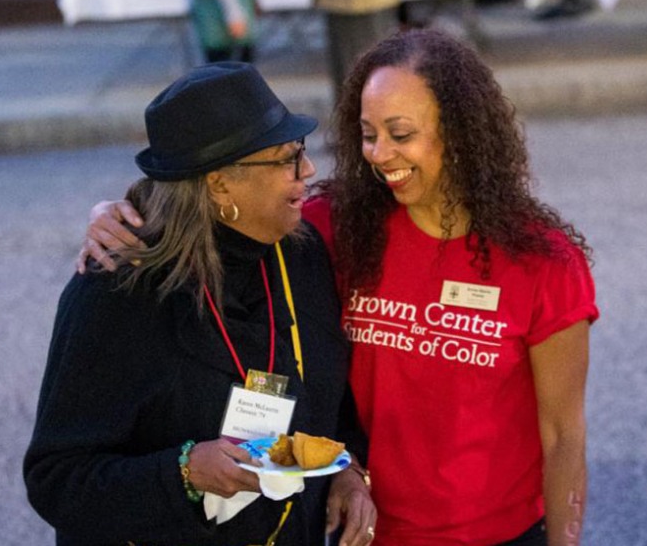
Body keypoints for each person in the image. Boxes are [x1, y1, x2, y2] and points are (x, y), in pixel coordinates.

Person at [80, 29, 599, 546]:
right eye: (368, 133)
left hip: (500, 535)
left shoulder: (543, 262)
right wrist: (125, 214)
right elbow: (222, 211)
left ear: (459, 132)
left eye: (401, 134)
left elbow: (563, 437)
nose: (378, 153)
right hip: (365, 530)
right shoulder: (334, 227)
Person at [24, 62, 376, 546]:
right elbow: (57, 480)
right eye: (286, 157)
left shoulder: (301, 253)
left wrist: (347, 470)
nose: (308, 170)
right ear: (218, 183)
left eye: (303, 151)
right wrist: (184, 472)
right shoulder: (117, 292)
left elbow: (328, 407)